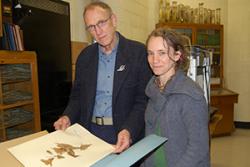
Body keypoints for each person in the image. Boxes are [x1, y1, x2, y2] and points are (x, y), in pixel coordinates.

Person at [53, 1, 152, 154]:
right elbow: (77, 97)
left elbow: (142, 101)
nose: (98, 31)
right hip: (89, 133)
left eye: (101, 23)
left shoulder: (138, 54)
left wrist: (129, 130)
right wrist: (67, 116)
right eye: (91, 27)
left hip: (122, 133)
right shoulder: (85, 57)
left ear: (113, 20)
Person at [141, 28, 210, 167]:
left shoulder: (190, 94)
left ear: (177, 55)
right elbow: (151, 136)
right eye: (150, 53)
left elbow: (198, 148)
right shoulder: (152, 90)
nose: (155, 60)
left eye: (162, 53)